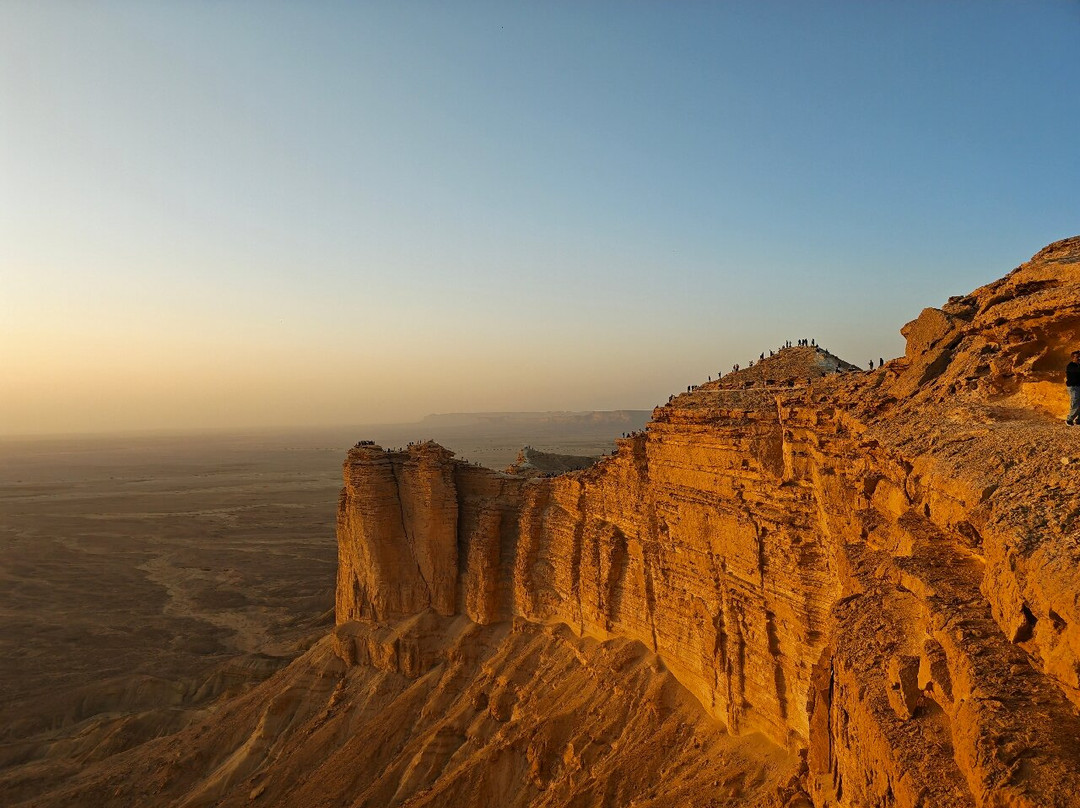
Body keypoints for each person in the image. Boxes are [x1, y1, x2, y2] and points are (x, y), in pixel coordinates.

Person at [1067, 350, 1080, 425]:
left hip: (1078, 386)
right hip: (1073, 387)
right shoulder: (1071, 366)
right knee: (1075, 402)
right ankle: (1069, 419)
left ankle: (1079, 420)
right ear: (1073, 358)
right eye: (1077, 357)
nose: (1079, 358)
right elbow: (1077, 371)